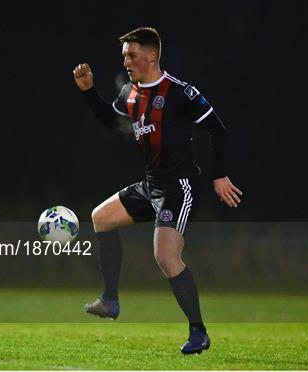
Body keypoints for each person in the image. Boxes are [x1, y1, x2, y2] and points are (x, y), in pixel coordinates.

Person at [72, 27, 243, 355]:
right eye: (124, 56)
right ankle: (110, 301)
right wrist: (88, 92)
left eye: (132, 55)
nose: (126, 62)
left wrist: (218, 175)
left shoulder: (179, 92)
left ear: (152, 55)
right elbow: (112, 121)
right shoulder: (131, 94)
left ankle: (198, 331)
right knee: (101, 217)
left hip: (178, 186)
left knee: (165, 257)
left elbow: (217, 129)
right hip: (150, 184)